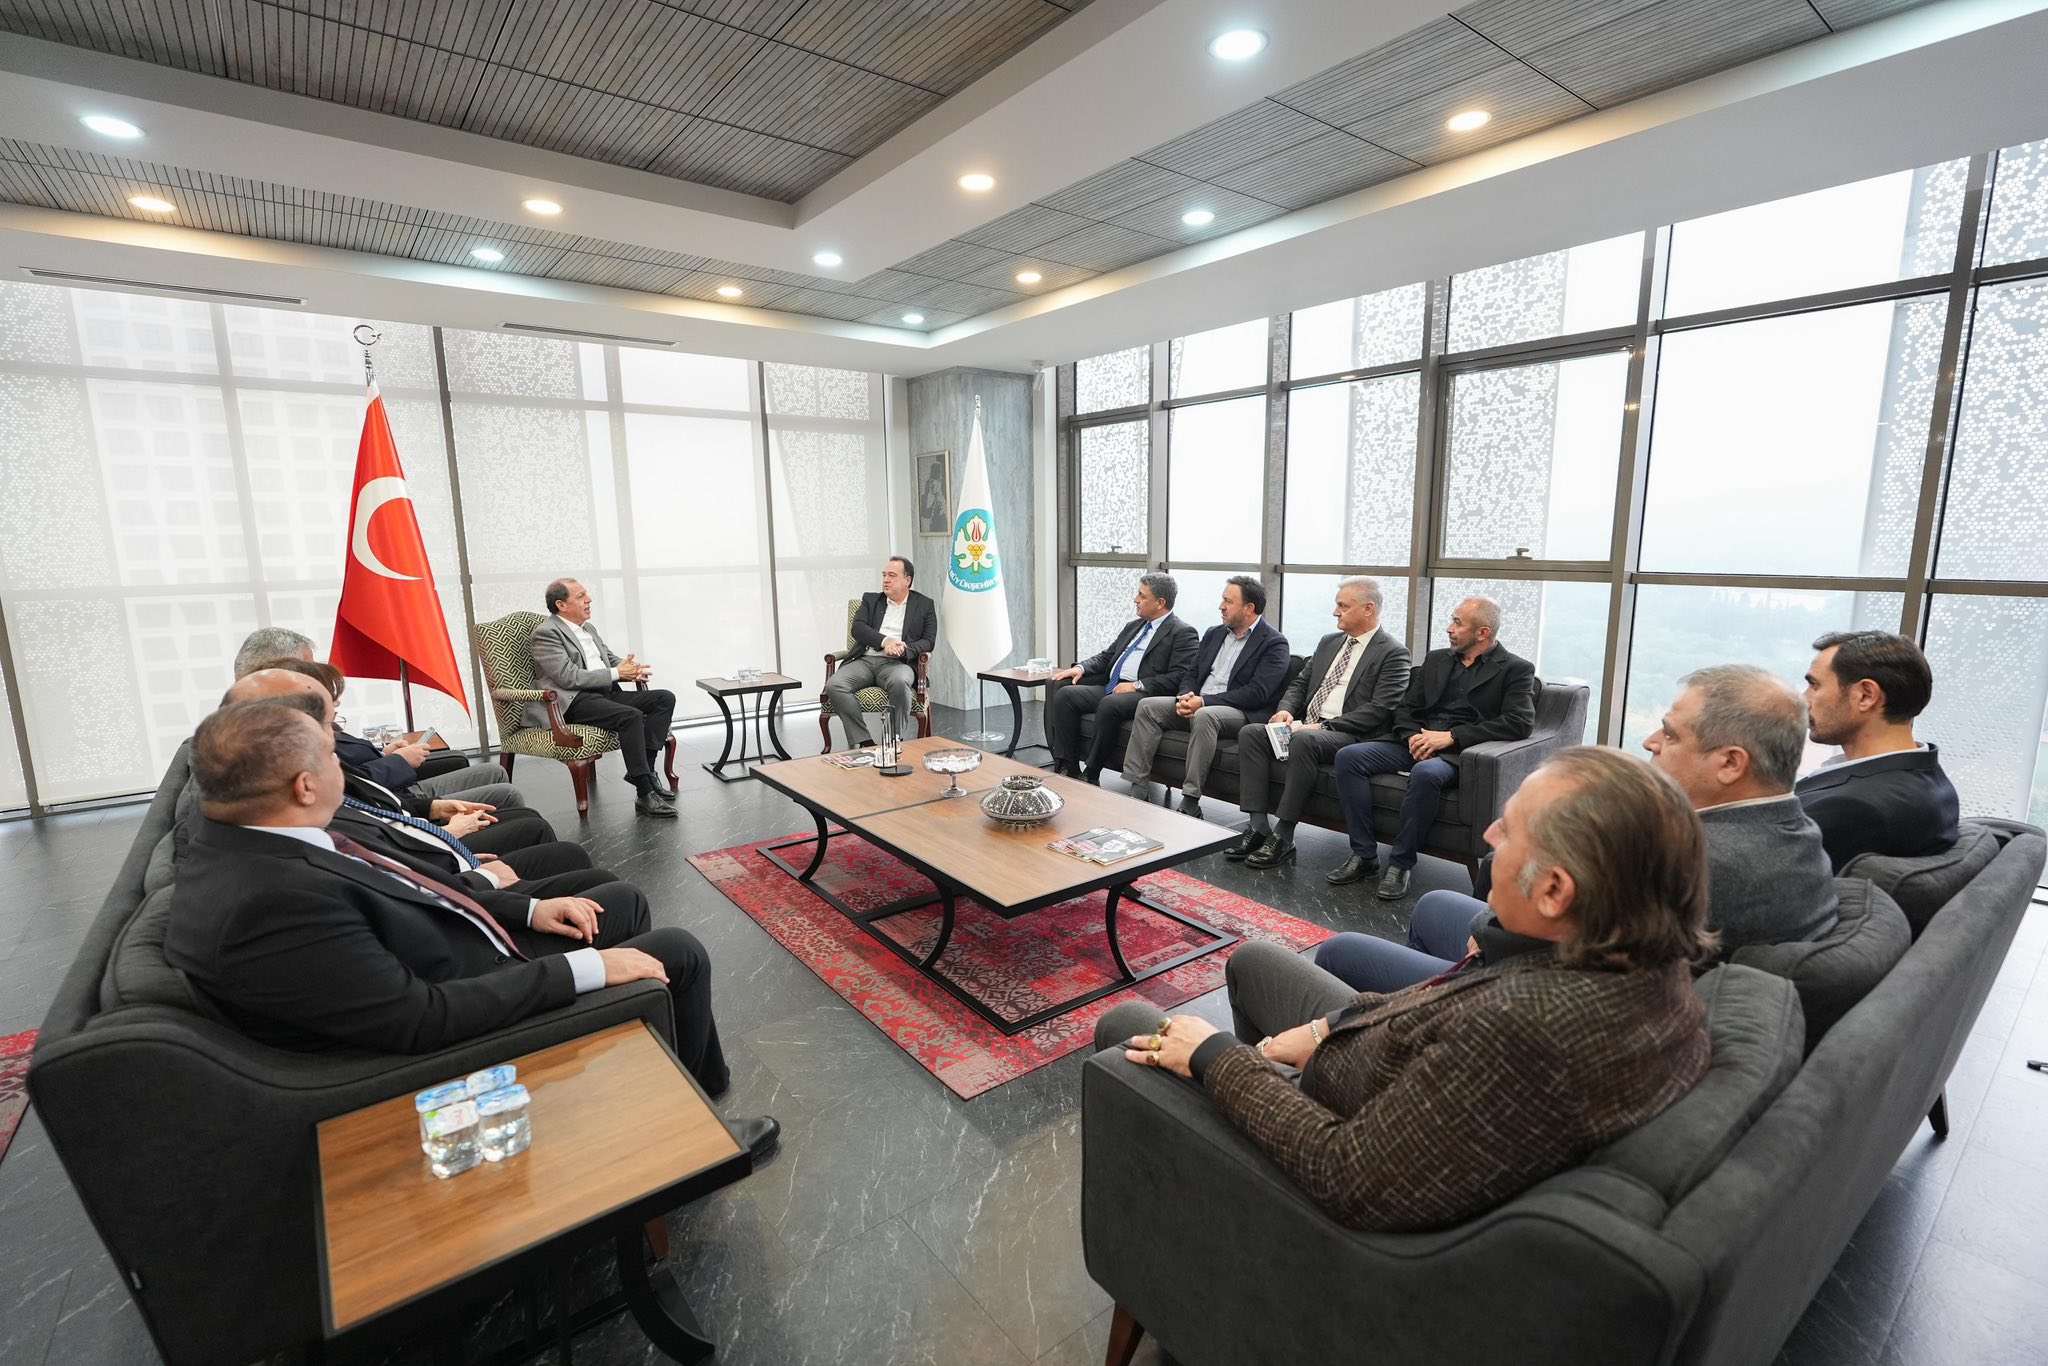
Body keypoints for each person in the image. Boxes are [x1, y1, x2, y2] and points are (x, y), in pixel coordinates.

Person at [1097, 746, 1713, 1233]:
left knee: (1129, 1027)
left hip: (1330, 1130)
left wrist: (1217, 1060)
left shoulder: (1522, 1031)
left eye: (1510, 830)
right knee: (1256, 960)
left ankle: (1192, 1210)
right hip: (1371, 1062)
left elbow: (1345, 1173)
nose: (1490, 835)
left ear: (1554, 892)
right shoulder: (1631, 961)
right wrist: (1330, 1026)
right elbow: (1437, 1010)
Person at [163, 698, 778, 1159]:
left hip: (464, 946)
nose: (344, 765)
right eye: (331, 757)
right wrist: (587, 968)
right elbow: (420, 1018)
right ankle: (701, 1134)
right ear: (304, 786)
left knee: (614, 904)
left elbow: (410, 889)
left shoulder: (256, 842)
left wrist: (527, 909)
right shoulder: (271, 902)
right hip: (471, 1009)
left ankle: (652, 1090)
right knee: (677, 953)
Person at [1318, 664, 1840, 992]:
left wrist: (1487, 946)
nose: (1651, 743)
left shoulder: (1697, 863)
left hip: (1531, 994)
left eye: (1670, 735)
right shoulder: (1791, 829)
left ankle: (1414, 1019)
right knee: (1436, 904)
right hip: (1546, 967)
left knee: (1342, 950)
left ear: (1730, 763)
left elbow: (1560, 964)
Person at [226, 668, 597, 885]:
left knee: (526, 819)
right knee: (550, 840)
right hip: (433, 858)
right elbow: (382, 858)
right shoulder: (308, 815)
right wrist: (448, 839)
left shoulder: (299, 791)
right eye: (327, 721)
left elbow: (373, 817)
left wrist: (434, 814)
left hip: (418, 826)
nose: (333, 734)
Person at [1332, 597, 1536, 900]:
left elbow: (1519, 722)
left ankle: (1400, 864)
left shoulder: (1515, 669)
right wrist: (1414, 737)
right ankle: (1364, 855)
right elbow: (1406, 707)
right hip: (1417, 742)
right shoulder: (1437, 659)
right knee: (1349, 757)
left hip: (1458, 752)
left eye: (1457, 623)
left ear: (1482, 633)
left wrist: (1452, 736)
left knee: (1426, 773)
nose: (1448, 629)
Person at [255, 659, 561, 858]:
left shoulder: (312, 759)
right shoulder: (311, 791)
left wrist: (431, 806)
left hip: (409, 814)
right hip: (419, 837)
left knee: (516, 808)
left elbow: (369, 800)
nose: (336, 704)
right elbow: (379, 837)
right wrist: (447, 834)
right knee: (524, 816)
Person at [1234, 577, 1410, 873]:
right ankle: (1258, 827)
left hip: (1351, 734)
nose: (1335, 612)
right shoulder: (1329, 642)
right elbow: (1300, 683)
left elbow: (1381, 709)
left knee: (1304, 740)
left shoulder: (1393, 652)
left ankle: (1283, 835)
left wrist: (1324, 727)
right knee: (1252, 733)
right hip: (1308, 725)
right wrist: (1285, 711)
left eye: (1343, 606)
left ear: (1368, 609)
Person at [1119, 576, 1288, 818]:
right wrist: (1185, 696)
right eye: (1222, 600)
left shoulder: (1274, 643)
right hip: (1199, 702)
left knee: (1205, 716)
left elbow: (1257, 693)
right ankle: (1137, 789)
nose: (1221, 606)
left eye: (1228, 601)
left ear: (1249, 608)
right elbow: (1192, 673)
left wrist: (1205, 702)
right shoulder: (1214, 633)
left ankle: (1190, 800)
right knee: (1147, 706)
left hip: (1238, 711)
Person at [1798, 630, 1961, 871]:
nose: (1803, 699)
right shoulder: (1931, 780)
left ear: (1866, 696)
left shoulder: (1853, 809)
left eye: (1814, 685)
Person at [233, 627, 474, 783]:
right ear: (281, 670)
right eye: (309, 669)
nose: (316, 676)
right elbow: (351, 789)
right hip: (390, 808)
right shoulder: (276, 732)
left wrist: (383, 754)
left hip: (393, 795)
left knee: (463, 762)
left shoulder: (292, 708)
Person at [531, 579, 678, 819]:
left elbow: (608, 659)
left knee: (664, 699)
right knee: (630, 716)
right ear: (561, 605)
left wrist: (631, 669)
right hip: (576, 700)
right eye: (580, 596)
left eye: (586, 594)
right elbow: (568, 677)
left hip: (605, 694)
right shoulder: (547, 633)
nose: (589, 599)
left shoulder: (588, 629)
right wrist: (618, 673)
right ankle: (644, 793)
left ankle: (647, 772)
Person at [1048, 573, 1199, 782]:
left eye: (1142, 596)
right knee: (1065, 694)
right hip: (1112, 686)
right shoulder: (1134, 626)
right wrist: (1082, 668)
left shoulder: (1183, 632)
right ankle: (1069, 766)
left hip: (1145, 694)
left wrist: (1137, 685)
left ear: (1160, 603)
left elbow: (1179, 676)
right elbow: (1107, 656)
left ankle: (1091, 772)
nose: (1135, 599)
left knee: (1110, 703)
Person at [824, 557, 937, 750]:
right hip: (865, 660)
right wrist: (886, 641)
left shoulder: (924, 604)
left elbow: (928, 640)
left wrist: (903, 649)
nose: (886, 580)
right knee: (834, 685)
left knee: (900, 682)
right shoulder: (871, 600)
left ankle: (892, 740)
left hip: (898, 663)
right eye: (884, 575)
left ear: (907, 580)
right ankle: (864, 740)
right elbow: (858, 628)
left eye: (892, 575)